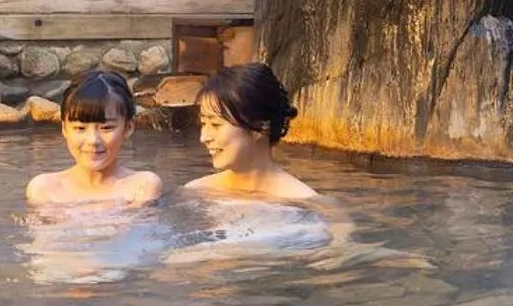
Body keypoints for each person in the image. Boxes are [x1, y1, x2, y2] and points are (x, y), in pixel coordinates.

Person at [24, 70, 162, 207]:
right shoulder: (44, 189)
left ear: (128, 128)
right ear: (64, 128)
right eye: (80, 128)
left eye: (106, 128)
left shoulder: (142, 186)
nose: (93, 140)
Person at [183, 63, 318, 200]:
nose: (204, 137)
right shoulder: (196, 192)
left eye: (216, 124)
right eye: (203, 123)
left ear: (261, 127)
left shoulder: (303, 202)